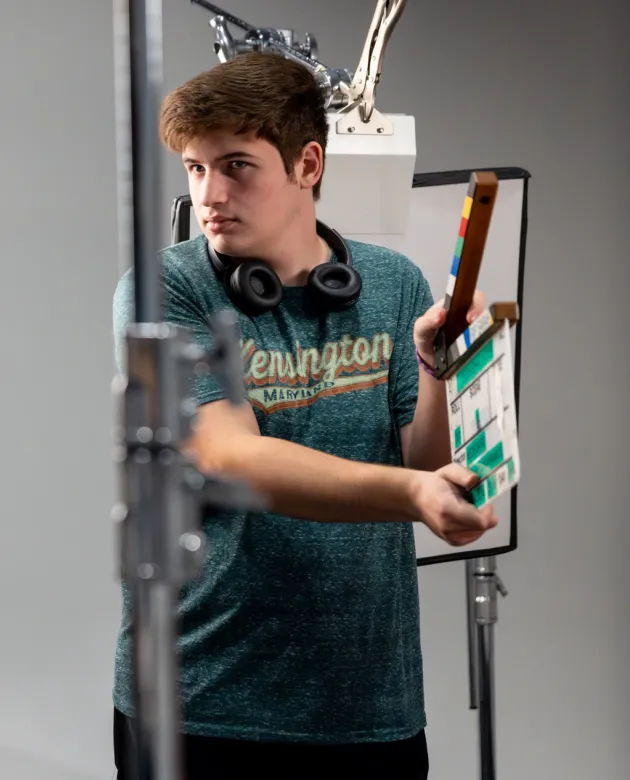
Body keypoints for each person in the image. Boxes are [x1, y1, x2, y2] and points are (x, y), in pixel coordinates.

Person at [111, 52, 497, 780]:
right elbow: (233, 458)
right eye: (196, 170)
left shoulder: (391, 283)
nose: (209, 194)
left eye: (236, 166)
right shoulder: (164, 289)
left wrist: (435, 368)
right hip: (201, 702)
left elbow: (425, 461)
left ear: (307, 163)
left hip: (368, 705)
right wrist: (413, 497)